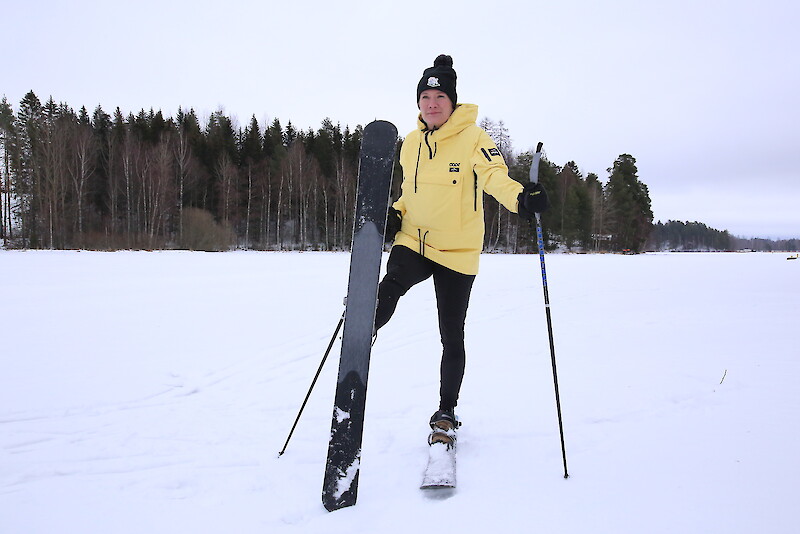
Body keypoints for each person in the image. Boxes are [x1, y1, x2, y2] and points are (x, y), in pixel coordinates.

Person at [374, 54, 549, 433]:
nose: (431, 104)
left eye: (439, 97)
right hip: (416, 240)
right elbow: (409, 192)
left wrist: (521, 199)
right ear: (418, 102)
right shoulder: (410, 143)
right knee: (393, 283)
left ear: (452, 102)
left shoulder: (474, 137)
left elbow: (494, 177)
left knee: (452, 332)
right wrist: (396, 213)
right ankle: (363, 330)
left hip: (458, 251)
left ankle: (446, 410)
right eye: (425, 97)